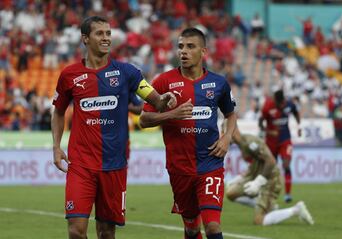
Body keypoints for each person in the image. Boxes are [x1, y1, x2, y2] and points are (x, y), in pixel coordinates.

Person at [51, 16, 176, 239]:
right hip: (80, 164)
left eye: (108, 33)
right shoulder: (69, 75)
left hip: (114, 165)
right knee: (76, 232)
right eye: (100, 33)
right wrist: (56, 147)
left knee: (106, 233)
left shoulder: (128, 72)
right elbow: (58, 111)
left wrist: (164, 99)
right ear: (85, 39)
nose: (106, 38)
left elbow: (155, 100)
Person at [139, 28, 237, 239]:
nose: (183, 51)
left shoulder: (219, 83)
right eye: (181, 46)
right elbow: (144, 120)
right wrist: (172, 114)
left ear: (203, 52)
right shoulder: (163, 82)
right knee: (192, 228)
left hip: (210, 163)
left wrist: (227, 137)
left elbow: (231, 114)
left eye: (190, 47)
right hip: (179, 167)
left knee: (212, 227)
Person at [225, 126, 314, 226]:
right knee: (230, 193)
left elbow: (270, 161)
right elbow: (255, 163)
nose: (223, 136)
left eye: (224, 132)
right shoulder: (241, 144)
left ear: (232, 130)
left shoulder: (249, 142)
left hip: (270, 179)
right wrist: (241, 177)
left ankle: (296, 210)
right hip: (257, 176)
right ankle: (269, 206)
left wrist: (258, 182)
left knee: (259, 221)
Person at [258, 89, 301, 203]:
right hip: (271, 142)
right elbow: (260, 123)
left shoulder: (289, 104)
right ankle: (267, 192)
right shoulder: (267, 107)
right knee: (271, 168)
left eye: (283, 103)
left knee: (286, 165)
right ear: (275, 100)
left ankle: (287, 194)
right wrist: (269, 132)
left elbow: (296, 112)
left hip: (285, 140)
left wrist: (299, 125)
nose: (282, 105)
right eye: (280, 103)